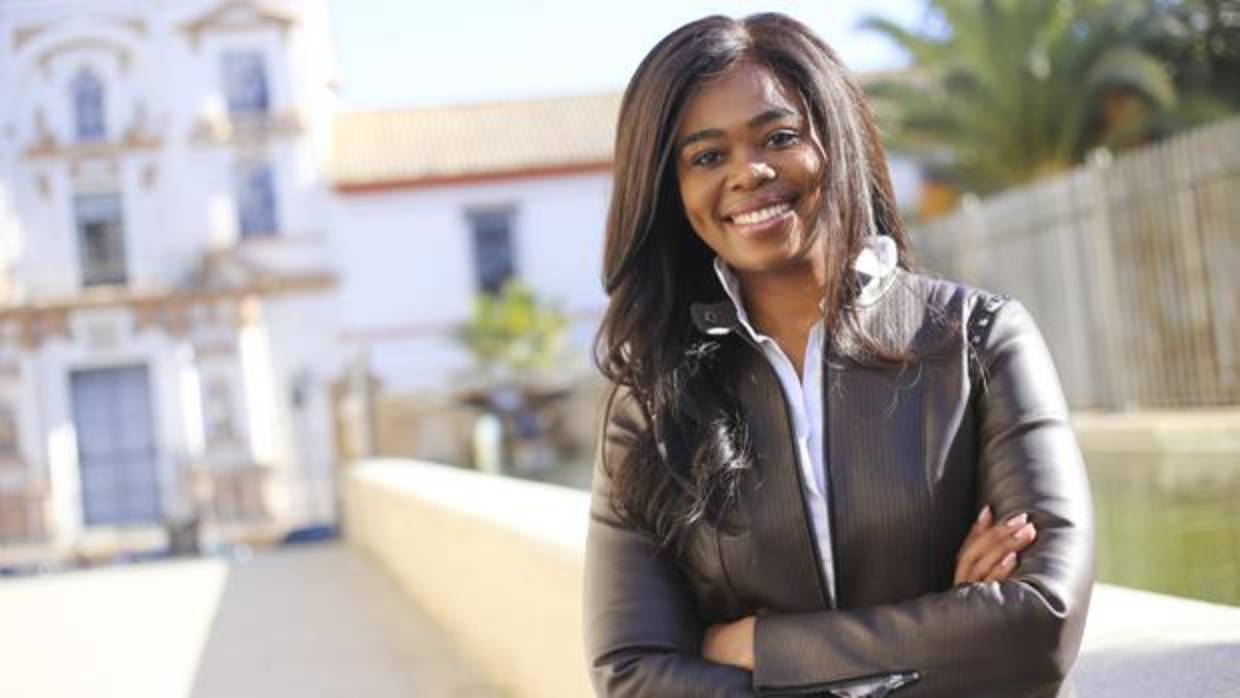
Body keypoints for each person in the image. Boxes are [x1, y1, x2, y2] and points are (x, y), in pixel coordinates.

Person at [583, 12, 1094, 698]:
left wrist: (759, 648)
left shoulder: (980, 339)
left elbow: (1039, 622)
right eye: (707, 156)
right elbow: (633, 674)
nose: (750, 172)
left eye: (780, 137)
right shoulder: (651, 401)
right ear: (672, 192)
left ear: (836, 139)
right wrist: (944, 630)